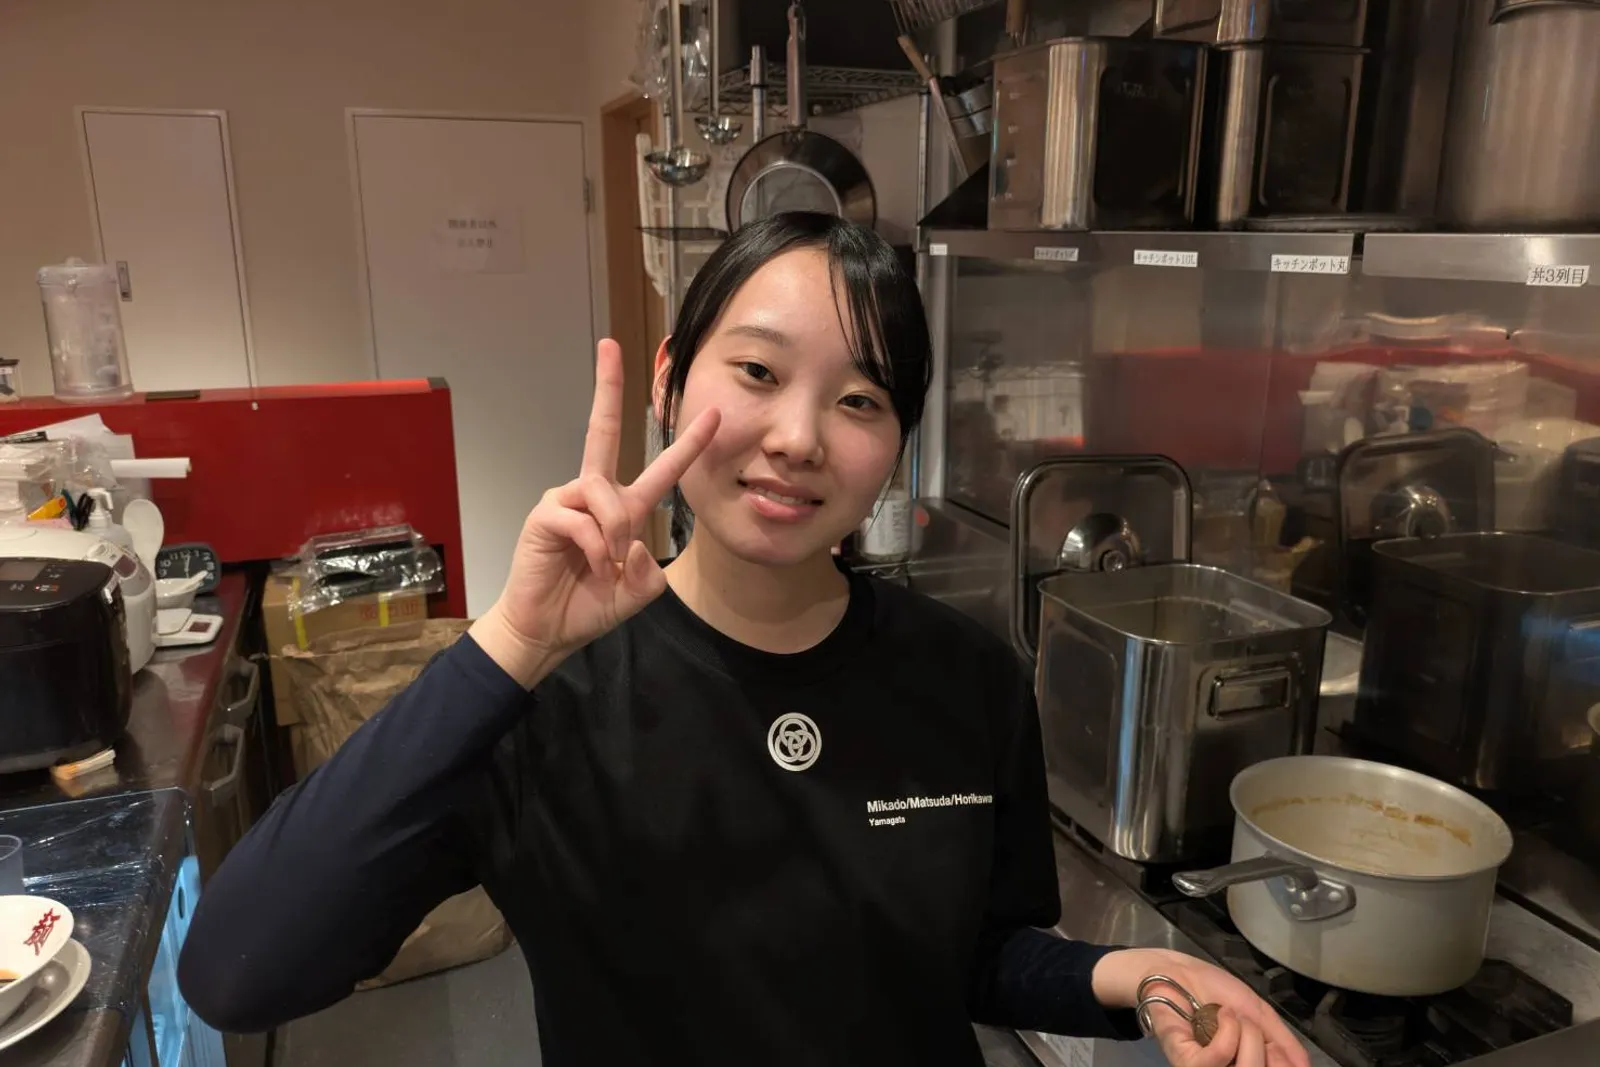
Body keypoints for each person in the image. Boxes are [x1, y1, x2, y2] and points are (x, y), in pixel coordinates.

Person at [178, 212, 1309, 1067]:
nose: (799, 436)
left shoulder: (961, 674)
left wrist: (1133, 968)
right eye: (757, 373)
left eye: (860, 399)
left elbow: (972, 955)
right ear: (670, 384)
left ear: (896, 443)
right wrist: (511, 643)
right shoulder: (544, 694)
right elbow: (240, 969)